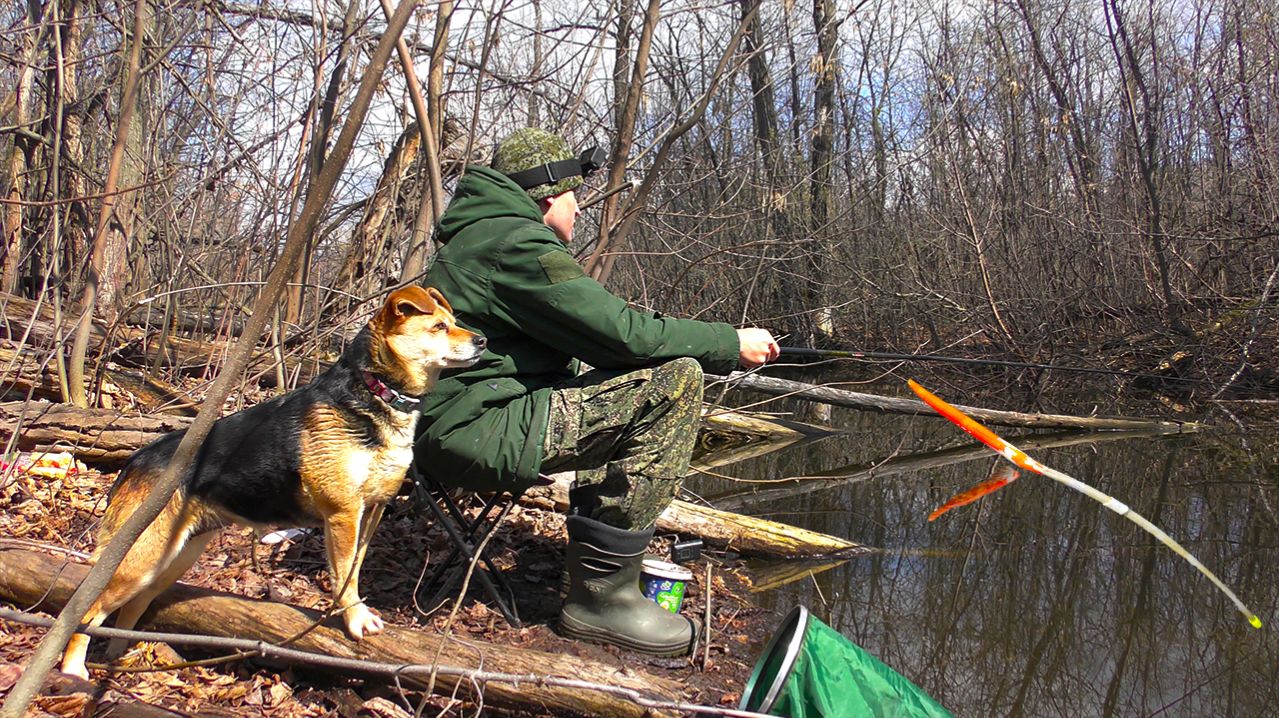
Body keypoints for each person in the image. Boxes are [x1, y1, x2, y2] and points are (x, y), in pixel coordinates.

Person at [416, 127, 779, 656]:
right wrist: (729, 342)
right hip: (473, 430)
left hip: (457, 421)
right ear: (546, 196)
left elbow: (608, 337)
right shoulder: (516, 244)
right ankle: (601, 599)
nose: (579, 210)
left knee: (627, 376)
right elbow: (624, 334)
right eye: (573, 197)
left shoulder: (483, 236)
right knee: (674, 382)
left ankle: (599, 573)